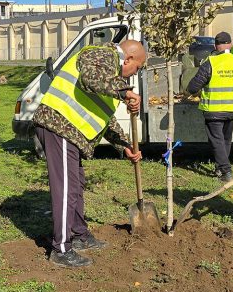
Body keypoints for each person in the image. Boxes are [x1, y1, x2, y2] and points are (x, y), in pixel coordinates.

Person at [33, 40, 148, 268]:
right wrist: (125, 92)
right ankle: (61, 249)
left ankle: (79, 235)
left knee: (76, 185)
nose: (135, 74)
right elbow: (90, 78)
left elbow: (103, 115)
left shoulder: (109, 76)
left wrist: (123, 144)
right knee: (66, 189)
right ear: (128, 59)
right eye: (137, 68)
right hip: (59, 124)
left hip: (69, 131)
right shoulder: (103, 55)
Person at [185, 31, 233, 182]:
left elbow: (193, 87)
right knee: (225, 140)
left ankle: (225, 171)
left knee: (217, 141)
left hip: (214, 110)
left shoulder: (211, 62)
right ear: (230, 44)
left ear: (215, 46)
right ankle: (220, 168)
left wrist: (192, 90)